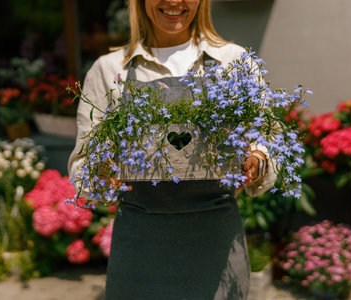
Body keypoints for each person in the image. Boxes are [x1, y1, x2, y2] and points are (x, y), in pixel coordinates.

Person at [68, 0, 277, 299]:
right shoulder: (110, 68)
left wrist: (257, 160)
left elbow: (266, 140)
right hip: (140, 246)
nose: (173, 1)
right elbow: (83, 162)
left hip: (216, 246)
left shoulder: (233, 61)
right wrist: (100, 174)